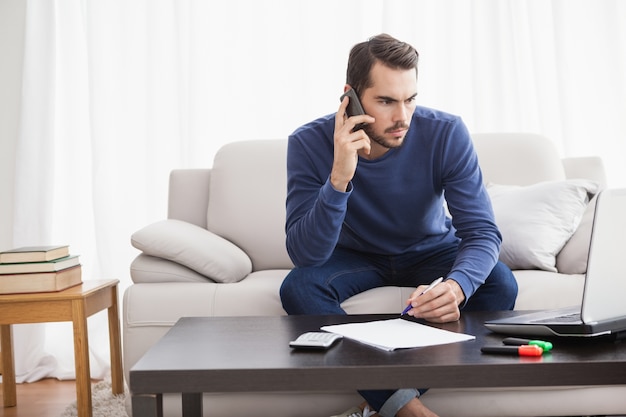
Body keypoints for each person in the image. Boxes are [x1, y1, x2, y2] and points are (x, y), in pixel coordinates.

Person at [279, 33, 518, 417]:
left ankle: (385, 401)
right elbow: (306, 254)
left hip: (430, 250)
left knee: (499, 281)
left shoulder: (446, 132)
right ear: (350, 97)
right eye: (387, 101)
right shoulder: (308, 142)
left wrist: (456, 287)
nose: (402, 117)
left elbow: (482, 231)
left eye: (410, 99)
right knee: (299, 288)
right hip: (354, 257)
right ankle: (411, 411)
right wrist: (339, 176)